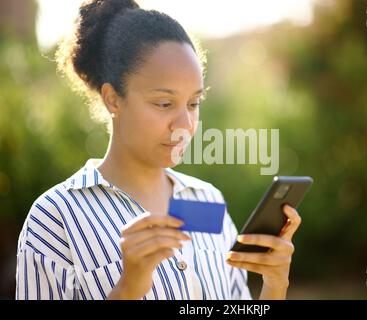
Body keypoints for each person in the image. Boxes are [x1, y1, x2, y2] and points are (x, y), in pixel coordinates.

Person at [15, 0, 301, 300]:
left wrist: (274, 286)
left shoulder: (208, 200)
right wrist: (128, 289)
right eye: (164, 104)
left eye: (193, 104)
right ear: (113, 99)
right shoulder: (55, 217)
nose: (185, 124)